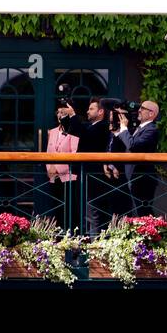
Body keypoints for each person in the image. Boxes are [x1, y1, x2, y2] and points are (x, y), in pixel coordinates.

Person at [58, 97, 116, 232]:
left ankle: (94, 246)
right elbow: (74, 130)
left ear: (101, 112)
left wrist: (73, 115)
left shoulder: (102, 126)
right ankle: (86, 243)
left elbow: (84, 135)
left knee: (93, 213)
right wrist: (66, 116)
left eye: (91, 109)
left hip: (94, 175)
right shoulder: (90, 125)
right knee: (85, 212)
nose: (88, 111)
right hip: (84, 174)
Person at [114, 101, 160, 215]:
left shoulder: (151, 129)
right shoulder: (139, 128)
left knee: (143, 210)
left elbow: (132, 145)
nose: (139, 110)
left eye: (143, 108)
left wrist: (124, 127)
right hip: (133, 176)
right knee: (137, 211)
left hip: (143, 178)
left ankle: (150, 232)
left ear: (151, 114)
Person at [43, 108, 81, 232]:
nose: (60, 115)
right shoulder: (53, 132)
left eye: (63, 113)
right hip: (54, 177)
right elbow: (48, 152)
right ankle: (59, 237)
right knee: (57, 208)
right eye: (59, 112)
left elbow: (74, 153)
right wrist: (50, 169)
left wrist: (58, 168)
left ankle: (71, 237)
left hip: (69, 176)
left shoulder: (73, 131)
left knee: (69, 209)